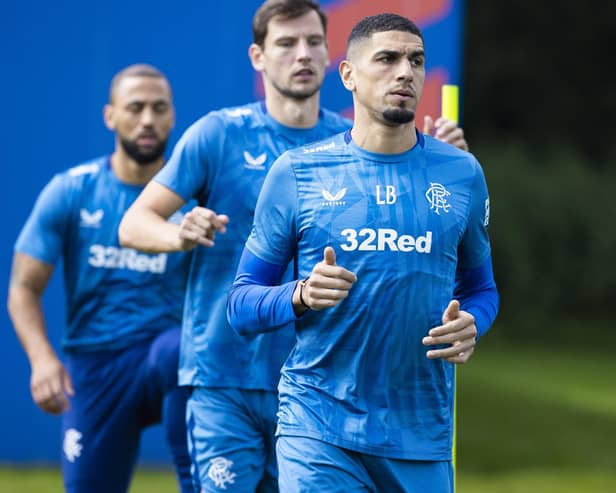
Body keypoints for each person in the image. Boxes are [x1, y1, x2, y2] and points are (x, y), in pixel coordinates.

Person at [119, 2, 468, 492]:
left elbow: (418, 256)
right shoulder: (219, 135)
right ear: (258, 57)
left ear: (332, 56)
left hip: (322, 385)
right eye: (286, 43)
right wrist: (179, 232)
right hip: (227, 372)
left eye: (313, 42)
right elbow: (134, 224)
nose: (302, 55)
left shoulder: (360, 142)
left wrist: (441, 165)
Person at [227, 12, 499, 493]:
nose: (405, 73)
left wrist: (472, 322)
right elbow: (241, 304)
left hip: (422, 434)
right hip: (318, 427)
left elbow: (481, 289)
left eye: (416, 60)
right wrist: (301, 294)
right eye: (388, 59)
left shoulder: (462, 173)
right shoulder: (296, 173)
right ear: (348, 75)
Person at [7, 64, 194, 493]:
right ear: (110, 116)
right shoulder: (72, 191)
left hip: (169, 357)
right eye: (135, 108)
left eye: (158, 108)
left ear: (172, 116)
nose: (147, 119)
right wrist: (41, 359)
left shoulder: (194, 195)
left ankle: (199, 481)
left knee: (180, 349)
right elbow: (23, 286)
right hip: (95, 366)